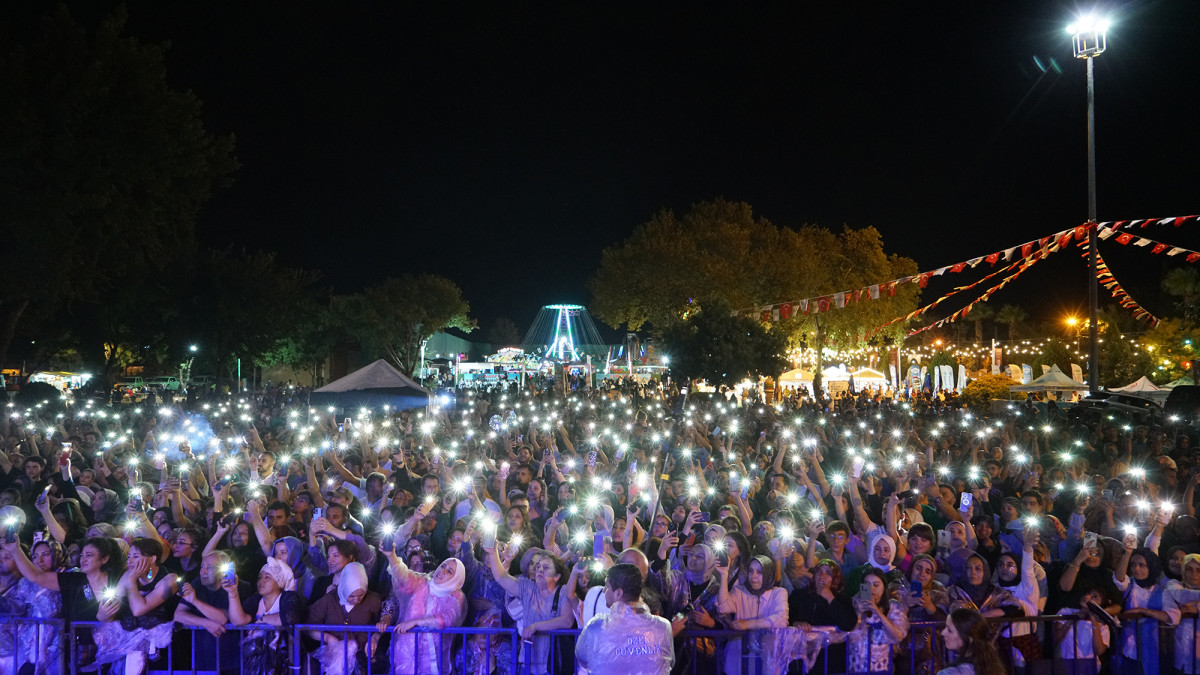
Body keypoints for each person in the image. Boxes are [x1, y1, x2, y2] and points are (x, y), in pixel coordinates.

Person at [88, 537, 179, 674]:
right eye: (129, 556)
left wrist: (131, 580)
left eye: (136, 557)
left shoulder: (170, 579)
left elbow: (139, 609)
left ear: (153, 559)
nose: (130, 561)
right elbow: (110, 605)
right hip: (131, 643)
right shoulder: (128, 575)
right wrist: (103, 614)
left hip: (165, 650)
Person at [382, 544, 466, 675]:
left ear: (457, 579)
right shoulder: (422, 583)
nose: (442, 571)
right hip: (405, 651)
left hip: (432, 657)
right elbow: (404, 577)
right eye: (443, 566)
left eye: (450, 571)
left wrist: (416, 622)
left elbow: (447, 619)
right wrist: (392, 556)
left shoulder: (456, 596)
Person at [576, 562, 674, 675]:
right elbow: (668, 662)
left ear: (618, 593)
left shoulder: (597, 627)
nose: (603, 591)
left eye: (606, 587)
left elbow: (583, 658)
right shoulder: (662, 626)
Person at [227, 557, 303, 675]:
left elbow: (288, 617)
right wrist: (232, 592)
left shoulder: (288, 597)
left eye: (267, 577)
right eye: (260, 577)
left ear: (279, 581)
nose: (261, 581)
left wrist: (262, 620)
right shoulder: (256, 599)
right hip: (256, 663)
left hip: (283, 664)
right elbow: (239, 620)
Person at [714, 555, 789, 675]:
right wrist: (724, 575)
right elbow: (723, 608)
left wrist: (748, 624)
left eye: (760, 572)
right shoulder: (739, 591)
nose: (753, 576)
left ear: (769, 573)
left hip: (768, 661)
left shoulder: (778, 593)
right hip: (739, 659)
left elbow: (781, 620)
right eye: (750, 571)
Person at [307, 561, 383, 675]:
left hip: (363, 657)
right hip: (334, 658)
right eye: (351, 596)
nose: (356, 600)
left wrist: (375, 637)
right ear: (344, 589)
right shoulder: (329, 600)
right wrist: (328, 638)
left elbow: (383, 624)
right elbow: (308, 627)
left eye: (361, 595)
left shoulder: (373, 600)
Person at [937, 608, 1005, 675]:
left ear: (968, 638)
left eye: (949, 630)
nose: (943, 633)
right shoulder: (989, 664)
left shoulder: (953, 672)